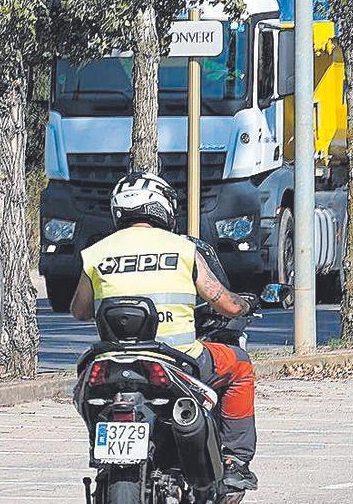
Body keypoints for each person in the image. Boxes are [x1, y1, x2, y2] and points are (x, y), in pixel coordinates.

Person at [69, 172, 259, 492]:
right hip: (179, 360)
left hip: (112, 363)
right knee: (240, 365)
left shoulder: (96, 253)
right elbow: (223, 302)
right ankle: (234, 460)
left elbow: (79, 310)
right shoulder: (182, 249)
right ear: (163, 207)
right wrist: (244, 304)